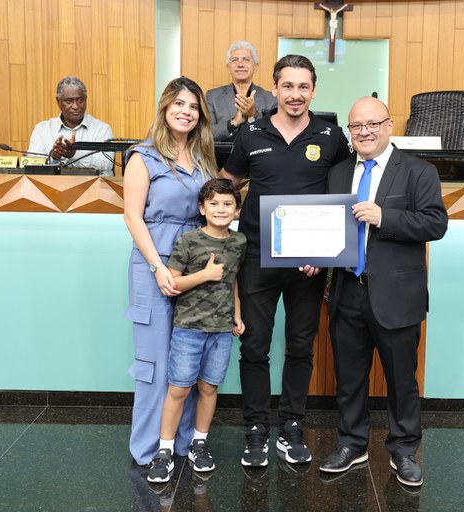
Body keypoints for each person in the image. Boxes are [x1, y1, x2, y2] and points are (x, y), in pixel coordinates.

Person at [220, 54, 351, 468]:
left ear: (314, 91)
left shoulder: (331, 135)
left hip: (308, 263)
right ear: (274, 89)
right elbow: (226, 183)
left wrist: (324, 251)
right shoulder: (251, 133)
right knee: (254, 346)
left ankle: (292, 426)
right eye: (288, 86)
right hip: (257, 256)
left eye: (303, 87)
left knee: (300, 346)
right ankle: (256, 430)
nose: (295, 95)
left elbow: (344, 193)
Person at [318, 97, 448, 487]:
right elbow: (329, 227)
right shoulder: (338, 173)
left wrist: (383, 216)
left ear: (390, 126)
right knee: (349, 379)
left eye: (373, 124)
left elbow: (435, 224)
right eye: (357, 126)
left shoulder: (418, 171)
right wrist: (314, 256)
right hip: (347, 291)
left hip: (397, 295)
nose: (365, 132)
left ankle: (404, 451)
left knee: (401, 381)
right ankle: (352, 444)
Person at [123, 76, 218, 469]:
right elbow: (133, 217)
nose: (186, 111)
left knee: (188, 359)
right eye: (179, 103)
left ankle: (180, 442)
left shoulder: (204, 160)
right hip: (155, 266)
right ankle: (148, 448)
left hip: (196, 268)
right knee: (156, 362)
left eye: (193, 106)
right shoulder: (143, 156)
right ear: (165, 107)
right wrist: (158, 267)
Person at [147, 178, 247, 483]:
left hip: (220, 330)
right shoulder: (188, 241)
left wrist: (237, 314)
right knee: (178, 389)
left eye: (228, 204)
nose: (221, 209)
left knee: (209, 388)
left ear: (237, 210)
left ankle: (199, 443)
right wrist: (205, 275)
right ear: (202, 208)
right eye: (214, 203)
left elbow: (233, 280)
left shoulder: (239, 242)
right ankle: (164, 451)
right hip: (189, 328)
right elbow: (172, 284)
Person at [28, 76, 115, 176]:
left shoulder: (102, 129)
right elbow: (32, 164)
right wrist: (54, 157)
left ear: (86, 99)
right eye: (69, 101)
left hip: (91, 185)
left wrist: (75, 154)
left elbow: (106, 165)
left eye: (80, 100)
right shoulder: (42, 130)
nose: (76, 106)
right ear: (58, 101)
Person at [206, 41, 277, 142]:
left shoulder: (271, 99)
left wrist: (252, 116)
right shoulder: (212, 97)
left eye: (246, 60)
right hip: (224, 152)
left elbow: (274, 135)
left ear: (255, 67)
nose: (240, 64)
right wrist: (234, 123)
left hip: (258, 152)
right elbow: (206, 135)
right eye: (235, 60)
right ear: (228, 67)